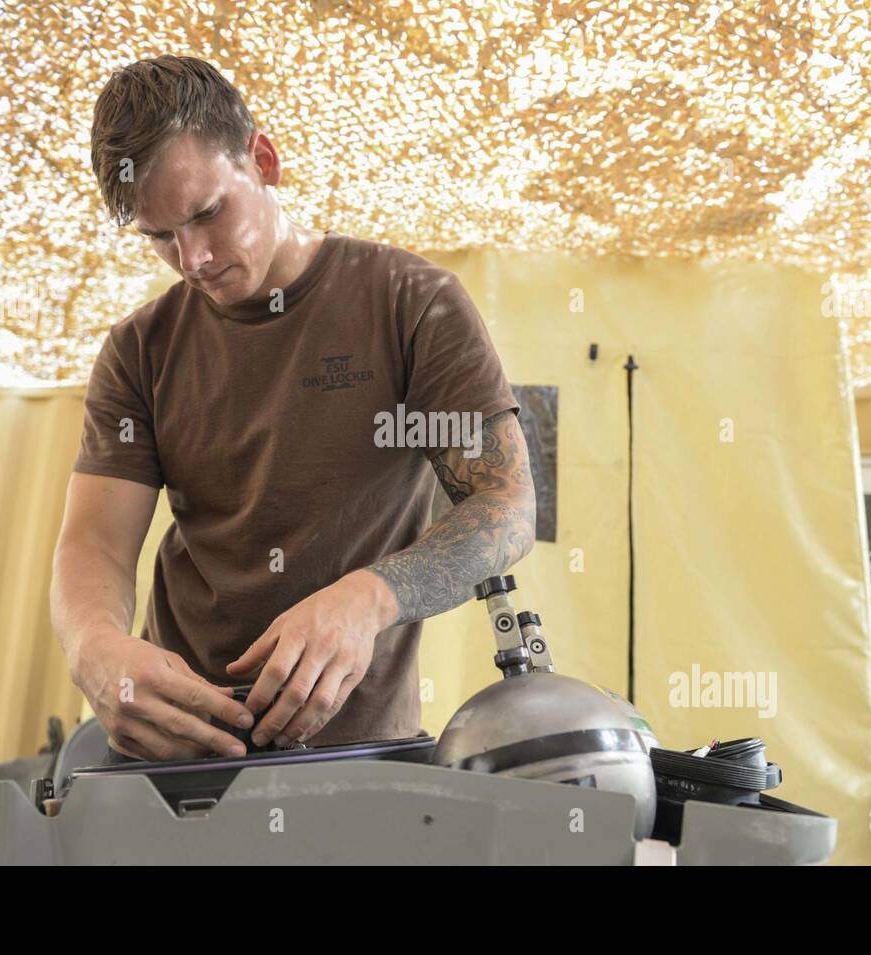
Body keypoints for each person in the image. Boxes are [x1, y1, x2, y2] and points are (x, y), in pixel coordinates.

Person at [50, 54, 535, 764]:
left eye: (207, 213)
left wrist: (367, 598)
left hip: (361, 758)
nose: (193, 258)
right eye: (160, 236)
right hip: (174, 757)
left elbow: (507, 505)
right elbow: (93, 541)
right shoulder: (138, 350)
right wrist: (94, 647)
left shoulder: (410, 303)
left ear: (263, 160)